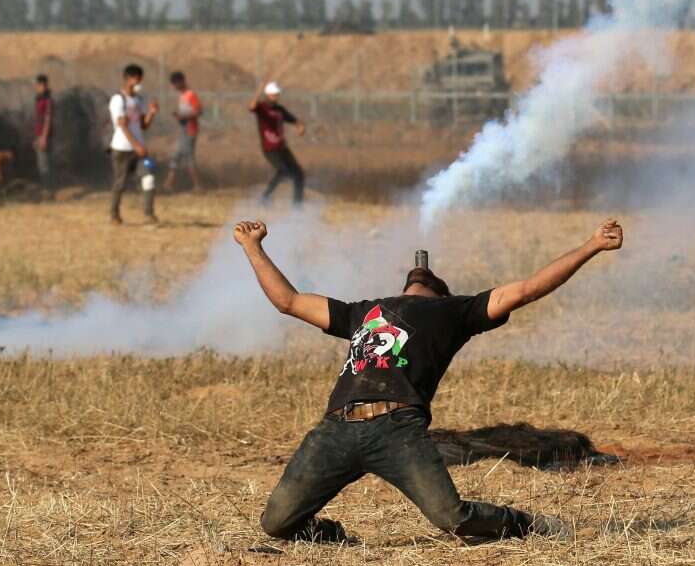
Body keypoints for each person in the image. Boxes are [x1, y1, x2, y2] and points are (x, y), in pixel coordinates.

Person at [233, 216, 625, 542]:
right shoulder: (361, 312)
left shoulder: (454, 313)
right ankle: (328, 536)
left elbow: (526, 290)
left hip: (397, 429)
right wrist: (253, 248)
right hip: (336, 429)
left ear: (440, 293)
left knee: (453, 518)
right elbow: (288, 301)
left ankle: (526, 524)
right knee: (276, 523)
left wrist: (591, 245)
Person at [108, 63, 158, 225]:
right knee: (120, 183)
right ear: (128, 79)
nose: (139, 82)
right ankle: (114, 214)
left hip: (139, 149)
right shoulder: (118, 99)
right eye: (137, 79)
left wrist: (151, 113)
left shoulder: (139, 99)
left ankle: (149, 214)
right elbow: (122, 125)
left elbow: (143, 124)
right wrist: (136, 145)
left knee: (149, 178)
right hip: (122, 148)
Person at [249, 82, 305, 205]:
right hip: (270, 148)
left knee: (299, 174)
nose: (276, 96)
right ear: (268, 94)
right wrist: (258, 92)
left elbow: (294, 119)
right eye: (273, 94)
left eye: (277, 94)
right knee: (283, 171)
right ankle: (265, 196)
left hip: (282, 147)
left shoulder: (280, 109)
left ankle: (297, 206)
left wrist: (300, 126)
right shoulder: (262, 108)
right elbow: (252, 107)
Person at [163, 71, 202, 192]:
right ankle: (168, 184)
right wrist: (178, 115)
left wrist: (183, 117)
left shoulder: (191, 95)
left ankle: (198, 185)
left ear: (181, 82)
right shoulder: (182, 96)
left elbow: (198, 111)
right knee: (176, 156)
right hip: (183, 130)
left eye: (175, 84)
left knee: (188, 157)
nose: (174, 87)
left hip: (190, 130)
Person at [33, 74, 54, 195]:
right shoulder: (38, 99)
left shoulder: (48, 100)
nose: (42, 87)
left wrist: (44, 138)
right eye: (40, 85)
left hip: (44, 137)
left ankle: (48, 191)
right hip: (38, 136)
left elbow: (48, 119)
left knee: (45, 165)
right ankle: (46, 189)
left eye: (44, 85)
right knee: (42, 164)